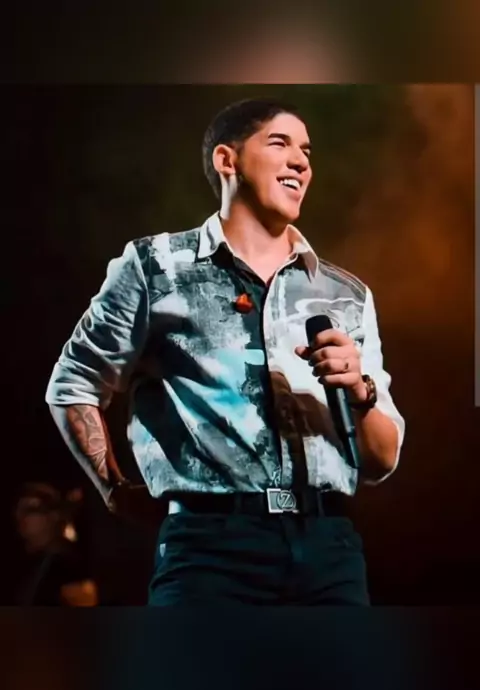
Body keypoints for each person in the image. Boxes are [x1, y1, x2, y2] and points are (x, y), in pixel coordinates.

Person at [46, 98, 405, 606]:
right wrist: (113, 490)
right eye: (279, 143)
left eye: (306, 151)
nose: (301, 161)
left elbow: (382, 460)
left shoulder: (345, 295)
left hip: (329, 550)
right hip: (209, 552)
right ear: (226, 160)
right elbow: (72, 384)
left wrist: (360, 392)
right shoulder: (156, 267)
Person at [11, 482, 98, 606]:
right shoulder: (30, 564)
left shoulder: (68, 567)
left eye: (30, 510)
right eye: (18, 510)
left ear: (53, 515)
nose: (20, 517)